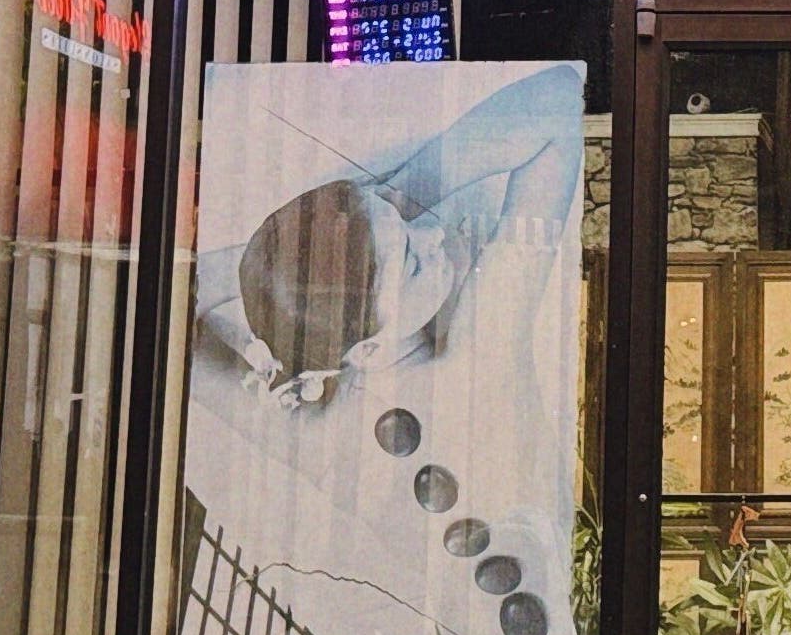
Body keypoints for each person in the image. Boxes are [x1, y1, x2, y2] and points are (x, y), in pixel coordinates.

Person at [192, 63, 583, 410]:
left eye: (406, 223)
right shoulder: (476, 356)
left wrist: (269, 333)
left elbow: (192, 280)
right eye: (413, 262)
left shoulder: (337, 359)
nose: (432, 232)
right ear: (369, 349)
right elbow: (561, 98)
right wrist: (404, 192)